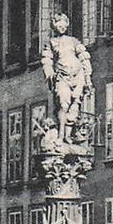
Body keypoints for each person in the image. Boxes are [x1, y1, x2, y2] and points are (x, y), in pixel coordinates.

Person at [40, 12, 92, 146]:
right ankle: (61, 135)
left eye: (64, 23)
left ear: (67, 25)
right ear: (54, 25)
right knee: (63, 103)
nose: (62, 26)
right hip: (62, 75)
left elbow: (84, 57)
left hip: (77, 74)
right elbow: (46, 59)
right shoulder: (51, 42)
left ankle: (68, 136)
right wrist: (49, 73)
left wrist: (87, 78)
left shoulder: (74, 41)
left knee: (75, 105)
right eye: (58, 23)